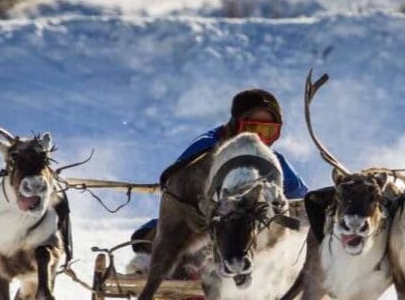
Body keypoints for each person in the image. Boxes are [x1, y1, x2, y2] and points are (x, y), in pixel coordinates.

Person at [127, 88, 308, 270]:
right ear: (236, 125)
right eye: (251, 128)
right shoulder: (208, 148)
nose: (257, 138)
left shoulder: (272, 160)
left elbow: (301, 200)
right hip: (197, 230)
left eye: (267, 131)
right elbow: (176, 186)